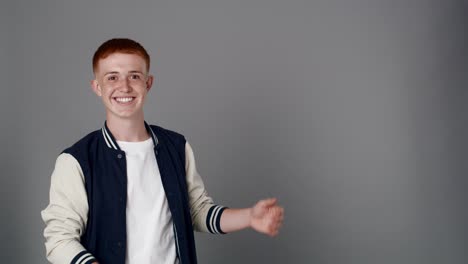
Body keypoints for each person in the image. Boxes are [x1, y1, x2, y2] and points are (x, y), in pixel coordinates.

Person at [41, 38, 284, 264]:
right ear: (97, 87)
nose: (124, 86)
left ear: (148, 83)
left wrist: (250, 217)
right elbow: (59, 240)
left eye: (134, 76)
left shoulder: (176, 147)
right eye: (112, 77)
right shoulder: (76, 160)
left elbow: (197, 211)